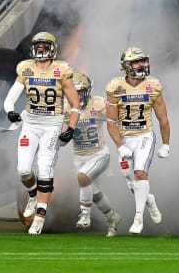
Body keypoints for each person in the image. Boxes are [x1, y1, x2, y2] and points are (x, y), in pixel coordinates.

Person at [3, 31, 80, 235]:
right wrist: (10, 111)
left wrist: (70, 127)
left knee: (45, 168)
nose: (40, 49)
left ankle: (40, 215)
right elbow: (10, 98)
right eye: (37, 45)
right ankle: (32, 194)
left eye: (44, 45)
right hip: (30, 124)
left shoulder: (61, 70)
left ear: (52, 48)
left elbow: (76, 103)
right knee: (24, 170)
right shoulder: (26, 68)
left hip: (52, 125)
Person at [106, 46, 169, 235]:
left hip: (144, 136)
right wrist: (119, 146)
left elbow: (163, 119)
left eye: (143, 61)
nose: (142, 65)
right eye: (137, 61)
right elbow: (111, 122)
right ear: (126, 66)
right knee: (130, 179)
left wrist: (166, 144)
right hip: (125, 137)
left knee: (140, 173)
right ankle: (149, 200)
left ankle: (138, 217)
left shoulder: (153, 86)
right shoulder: (115, 87)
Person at [63, 72, 122, 237]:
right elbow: (62, 140)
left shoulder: (97, 104)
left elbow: (114, 120)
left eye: (80, 91)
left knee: (83, 178)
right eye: (74, 92)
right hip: (78, 157)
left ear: (87, 91)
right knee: (93, 192)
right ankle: (112, 217)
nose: (77, 95)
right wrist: (59, 137)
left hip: (99, 154)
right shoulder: (66, 108)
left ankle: (85, 215)